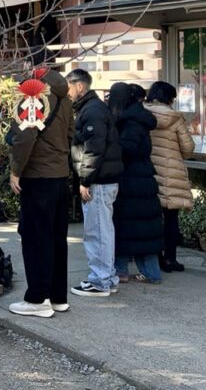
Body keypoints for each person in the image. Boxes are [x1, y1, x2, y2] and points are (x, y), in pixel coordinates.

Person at [7, 69, 75, 318]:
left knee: (36, 238)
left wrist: (16, 170)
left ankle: (37, 299)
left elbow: (25, 137)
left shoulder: (34, 96)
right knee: (56, 238)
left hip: (37, 176)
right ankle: (57, 297)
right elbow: (71, 134)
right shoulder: (64, 98)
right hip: (59, 174)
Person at [66, 68, 123, 297]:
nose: (67, 93)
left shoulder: (92, 111)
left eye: (69, 87)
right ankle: (107, 278)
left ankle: (100, 281)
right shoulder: (93, 108)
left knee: (97, 232)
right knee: (103, 231)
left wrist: (85, 180)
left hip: (98, 182)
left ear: (79, 86)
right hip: (103, 180)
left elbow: (93, 149)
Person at [110, 82, 164, 284]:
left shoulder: (129, 121)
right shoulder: (138, 118)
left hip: (130, 180)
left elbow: (127, 149)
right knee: (142, 230)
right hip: (143, 179)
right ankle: (150, 272)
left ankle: (122, 271)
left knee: (125, 227)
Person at [144, 81, 195, 272]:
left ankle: (156, 258)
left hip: (149, 171)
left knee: (153, 219)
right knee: (171, 218)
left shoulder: (143, 114)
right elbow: (188, 148)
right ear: (169, 98)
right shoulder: (175, 118)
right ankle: (171, 259)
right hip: (171, 172)